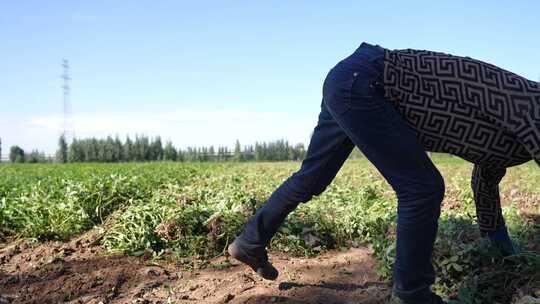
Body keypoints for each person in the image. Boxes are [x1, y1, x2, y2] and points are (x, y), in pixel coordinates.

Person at [228, 42, 540, 304]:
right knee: (422, 187)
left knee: (311, 177)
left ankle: (250, 242)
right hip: (369, 80)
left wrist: (503, 253)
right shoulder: (533, 105)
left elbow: (484, 183)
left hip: (351, 79)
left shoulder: (515, 126)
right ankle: (413, 293)